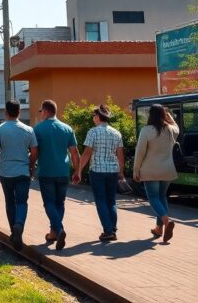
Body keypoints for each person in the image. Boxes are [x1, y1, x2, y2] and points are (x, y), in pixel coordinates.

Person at [0, 99, 38, 251]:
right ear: (19, 112)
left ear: (5, 112)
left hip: (6, 172)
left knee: (10, 203)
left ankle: (14, 231)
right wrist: (30, 165)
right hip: (23, 171)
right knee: (22, 202)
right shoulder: (28, 130)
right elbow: (35, 151)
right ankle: (19, 225)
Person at [73, 104, 125, 242]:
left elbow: (87, 153)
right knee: (111, 201)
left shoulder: (93, 132)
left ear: (97, 117)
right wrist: (121, 172)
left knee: (101, 201)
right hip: (113, 171)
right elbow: (120, 155)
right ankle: (112, 229)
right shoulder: (116, 133)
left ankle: (108, 231)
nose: (93, 119)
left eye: (93, 116)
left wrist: (78, 170)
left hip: (97, 170)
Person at [34, 99, 80, 251]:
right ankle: (54, 232)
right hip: (63, 172)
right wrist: (77, 171)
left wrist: (29, 167)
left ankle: (59, 229)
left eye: (41, 111)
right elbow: (74, 152)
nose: (40, 114)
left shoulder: (39, 129)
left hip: (46, 171)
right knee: (60, 203)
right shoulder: (67, 128)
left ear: (46, 111)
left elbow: (34, 152)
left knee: (49, 203)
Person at [133, 104, 179, 242]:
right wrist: (169, 117)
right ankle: (159, 229)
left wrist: (136, 169)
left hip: (150, 170)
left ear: (150, 115)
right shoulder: (171, 130)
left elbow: (140, 151)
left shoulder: (146, 130)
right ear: (164, 115)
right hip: (167, 170)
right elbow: (177, 127)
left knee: (153, 197)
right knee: (162, 197)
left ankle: (165, 221)